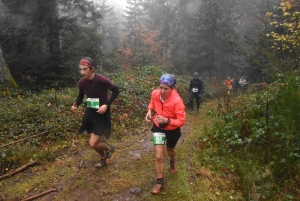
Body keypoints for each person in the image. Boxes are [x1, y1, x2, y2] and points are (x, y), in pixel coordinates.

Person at [71, 57, 120, 168]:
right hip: (90, 112)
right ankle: (103, 158)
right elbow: (80, 96)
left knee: (93, 143)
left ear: (91, 69)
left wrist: (106, 105)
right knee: (93, 144)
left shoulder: (101, 80)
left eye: (85, 69)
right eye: (80, 69)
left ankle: (109, 148)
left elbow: (116, 90)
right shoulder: (82, 82)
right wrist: (75, 104)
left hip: (101, 113)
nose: (82, 72)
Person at [145, 74, 185, 195]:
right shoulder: (155, 93)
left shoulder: (177, 101)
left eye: (166, 88)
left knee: (170, 150)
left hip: (172, 129)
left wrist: (168, 121)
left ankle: (172, 162)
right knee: (158, 156)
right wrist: (149, 110)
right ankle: (160, 182)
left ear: (172, 88)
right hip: (158, 126)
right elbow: (153, 102)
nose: (162, 91)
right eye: (161, 87)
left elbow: (181, 121)